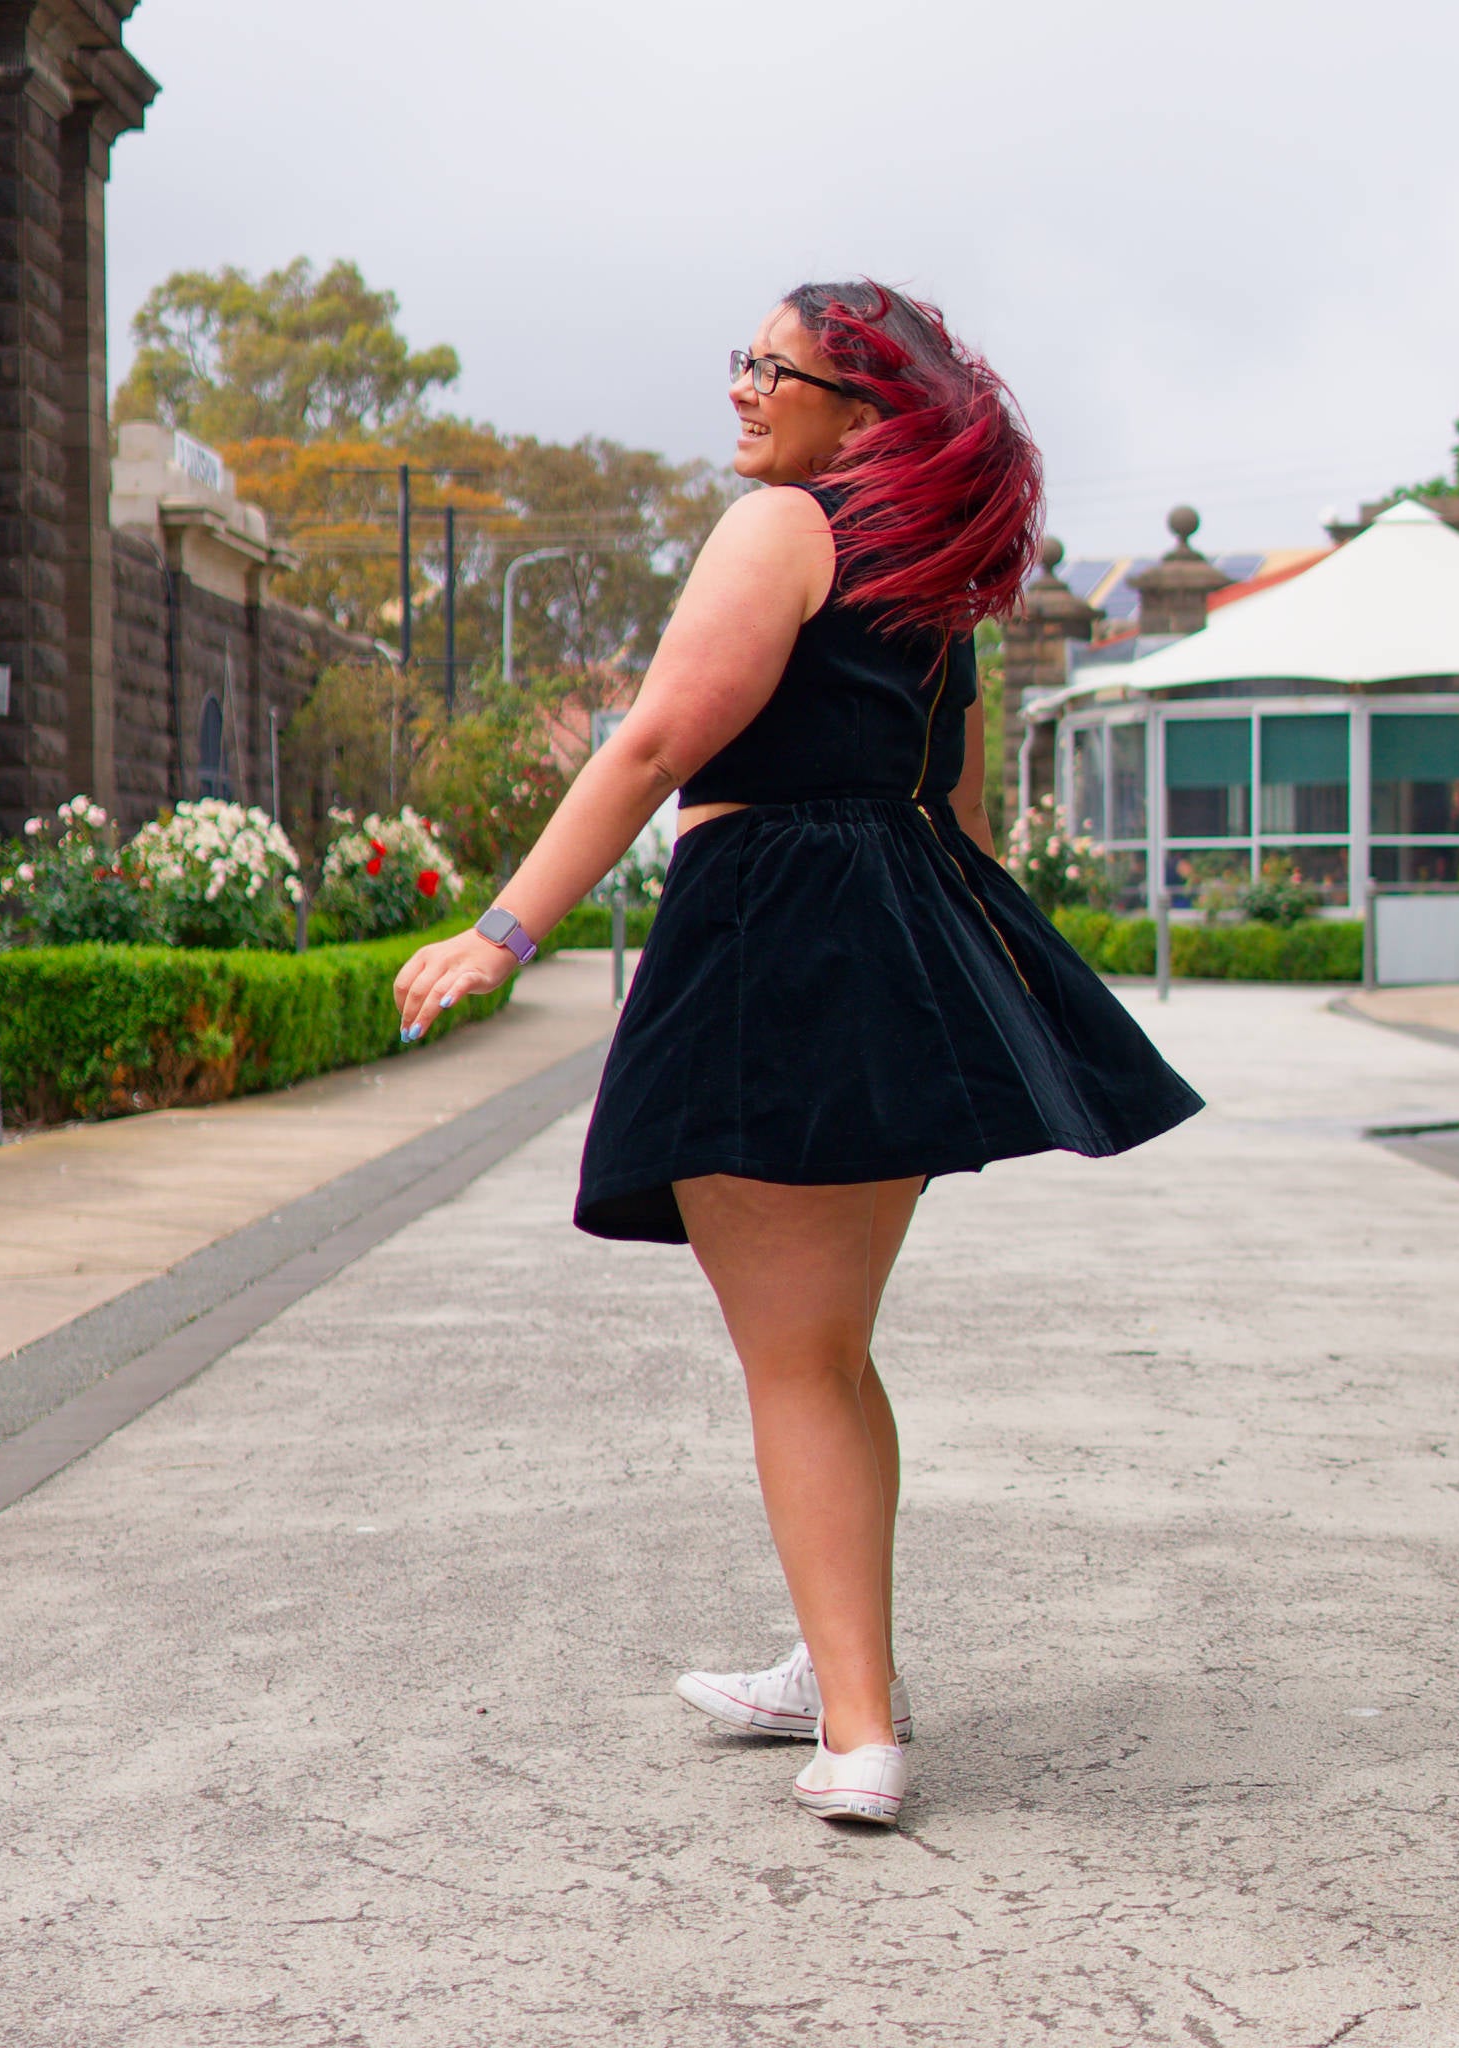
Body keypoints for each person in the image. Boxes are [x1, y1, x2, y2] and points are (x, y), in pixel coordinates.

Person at [394, 281, 1202, 1828]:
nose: (743, 392)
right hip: (889, 945)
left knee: (794, 1363)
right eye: (744, 361)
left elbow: (652, 741)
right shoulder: (938, 575)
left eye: (776, 370)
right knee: (825, 1354)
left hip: (776, 937)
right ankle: (840, 1671)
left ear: (863, 408)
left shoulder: (780, 530)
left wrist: (503, 932)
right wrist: (993, 1002)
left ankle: (858, 1732)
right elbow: (955, 822)